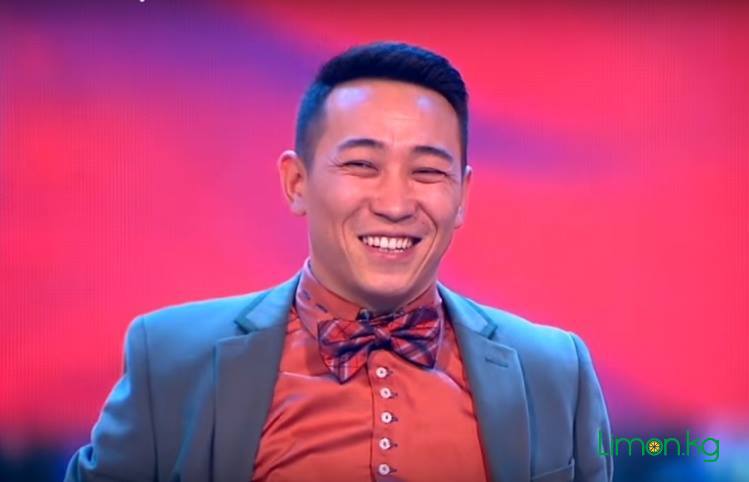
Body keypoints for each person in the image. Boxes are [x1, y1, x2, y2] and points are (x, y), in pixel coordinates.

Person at [65, 41, 613, 482]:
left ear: (463, 196)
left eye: (427, 172)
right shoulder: (172, 359)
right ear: (296, 182)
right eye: (361, 165)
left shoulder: (554, 371)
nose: (395, 204)